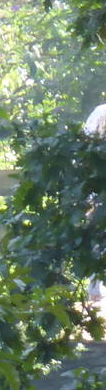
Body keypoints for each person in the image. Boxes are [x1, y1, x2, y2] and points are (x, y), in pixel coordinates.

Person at [84, 102, 106, 313]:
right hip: (99, 186)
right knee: (98, 236)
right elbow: (86, 148)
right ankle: (95, 291)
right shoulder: (101, 112)